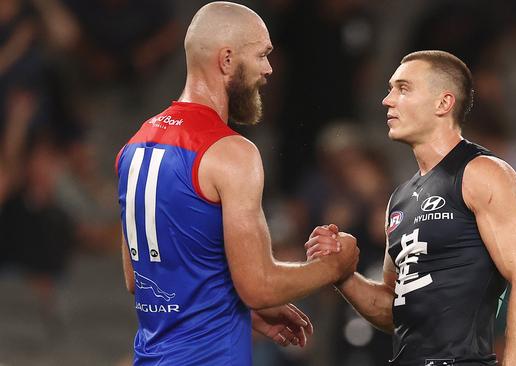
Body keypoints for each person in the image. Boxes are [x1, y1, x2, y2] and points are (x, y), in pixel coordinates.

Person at [115, 2, 359, 365]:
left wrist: (239, 309)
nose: (268, 69)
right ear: (227, 60)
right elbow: (259, 285)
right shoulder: (231, 152)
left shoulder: (134, 145)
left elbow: (140, 277)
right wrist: (335, 267)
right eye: (261, 55)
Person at [306, 50, 516, 365]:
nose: (387, 100)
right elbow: (394, 309)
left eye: (403, 88)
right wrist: (343, 275)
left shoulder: (482, 172)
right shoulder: (400, 199)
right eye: (391, 88)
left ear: (443, 103)